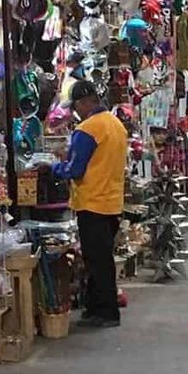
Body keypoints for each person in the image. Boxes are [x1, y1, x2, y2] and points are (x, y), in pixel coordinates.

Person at [53, 80, 129, 328]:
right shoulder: (116, 124)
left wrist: (53, 168)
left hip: (92, 203)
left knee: (98, 261)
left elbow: (75, 169)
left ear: (84, 103)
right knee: (102, 259)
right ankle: (97, 308)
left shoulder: (87, 129)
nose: (75, 112)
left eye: (76, 106)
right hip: (112, 202)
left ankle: (106, 312)